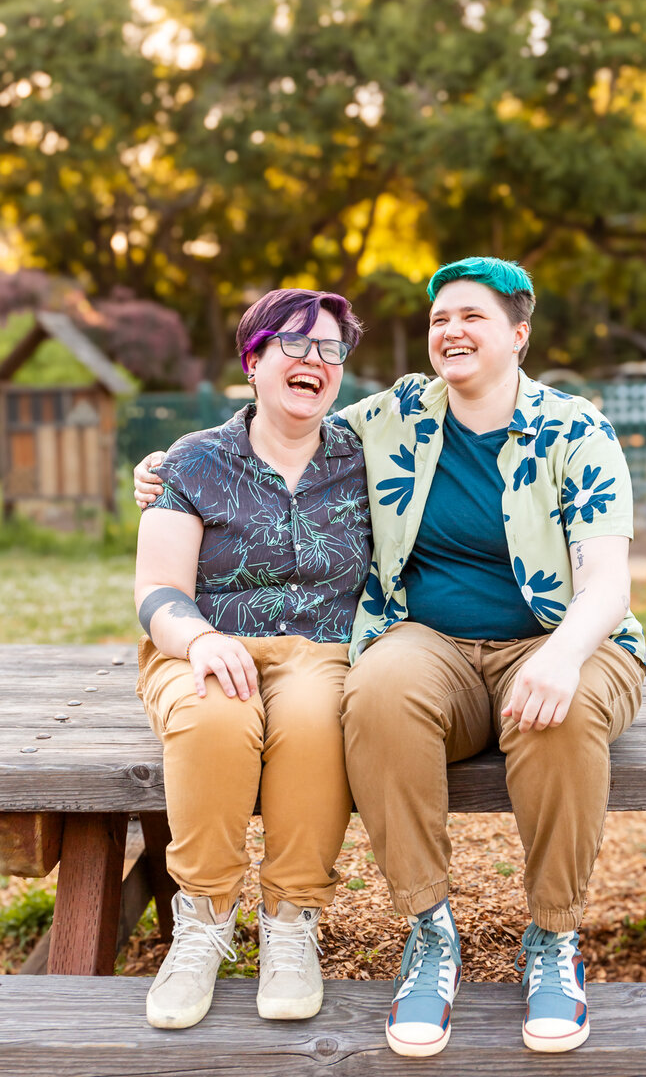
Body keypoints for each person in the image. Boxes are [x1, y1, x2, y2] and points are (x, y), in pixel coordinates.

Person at [135, 256, 646, 1057]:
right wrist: (167, 469)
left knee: (564, 707)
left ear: (518, 333)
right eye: (441, 319)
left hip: (562, 638)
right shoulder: (400, 414)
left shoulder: (575, 429)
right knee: (375, 689)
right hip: (432, 642)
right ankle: (430, 932)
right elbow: (279, 428)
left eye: (473, 316)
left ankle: (553, 937)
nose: (452, 331)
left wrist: (561, 655)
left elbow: (608, 584)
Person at [133, 287, 370, 1030]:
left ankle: (291, 924)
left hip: (321, 651)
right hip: (203, 641)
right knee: (213, 715)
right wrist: (200, 639)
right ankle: (201, 923)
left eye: (330, 348)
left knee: (312, 719)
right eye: (293, 344)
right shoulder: (195, 461)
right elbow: (159, 589)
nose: (314, 360)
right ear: (254, 360)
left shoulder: (367, 458)